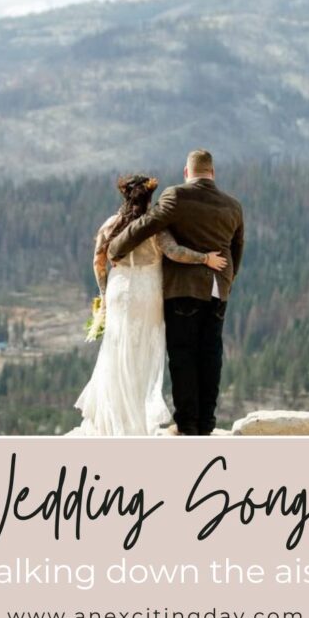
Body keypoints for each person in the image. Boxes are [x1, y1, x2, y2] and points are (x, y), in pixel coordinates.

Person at [73, 173, 227, 436]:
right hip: (148, 293)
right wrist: (205, 259)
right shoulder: (156, 227)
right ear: (149, 198)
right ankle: (137, 421)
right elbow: (175, 252)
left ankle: (114, 419)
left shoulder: (110, 225)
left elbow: (99, 263)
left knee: (117, 350)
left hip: (119, 290)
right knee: (144, 352)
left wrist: (104, 296)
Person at [109, 150, 244, 436]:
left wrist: (116, 248)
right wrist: (228, 280)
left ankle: (188, 424)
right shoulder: (233, 206)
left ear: (187, 172)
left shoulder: (176, 197)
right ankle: (207, 422)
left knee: (183, 354)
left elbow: (147, 225)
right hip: (218, 289)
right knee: (211, 353)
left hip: (184, 288)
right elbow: (237, 249)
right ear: (212, 173)